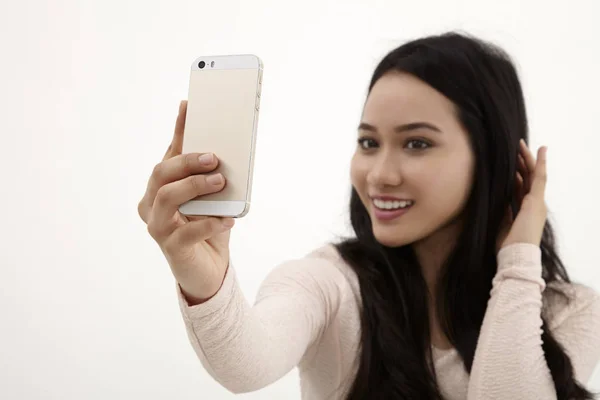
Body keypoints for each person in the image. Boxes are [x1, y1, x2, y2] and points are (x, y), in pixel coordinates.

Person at [137, 31, 600, 400]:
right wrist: (202, 276)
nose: (379, 175)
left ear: (493, 158)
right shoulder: (329, 283)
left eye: (416, 143)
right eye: (369, 142)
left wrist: (518, 259)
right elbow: (246, 364)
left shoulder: (567, 312)